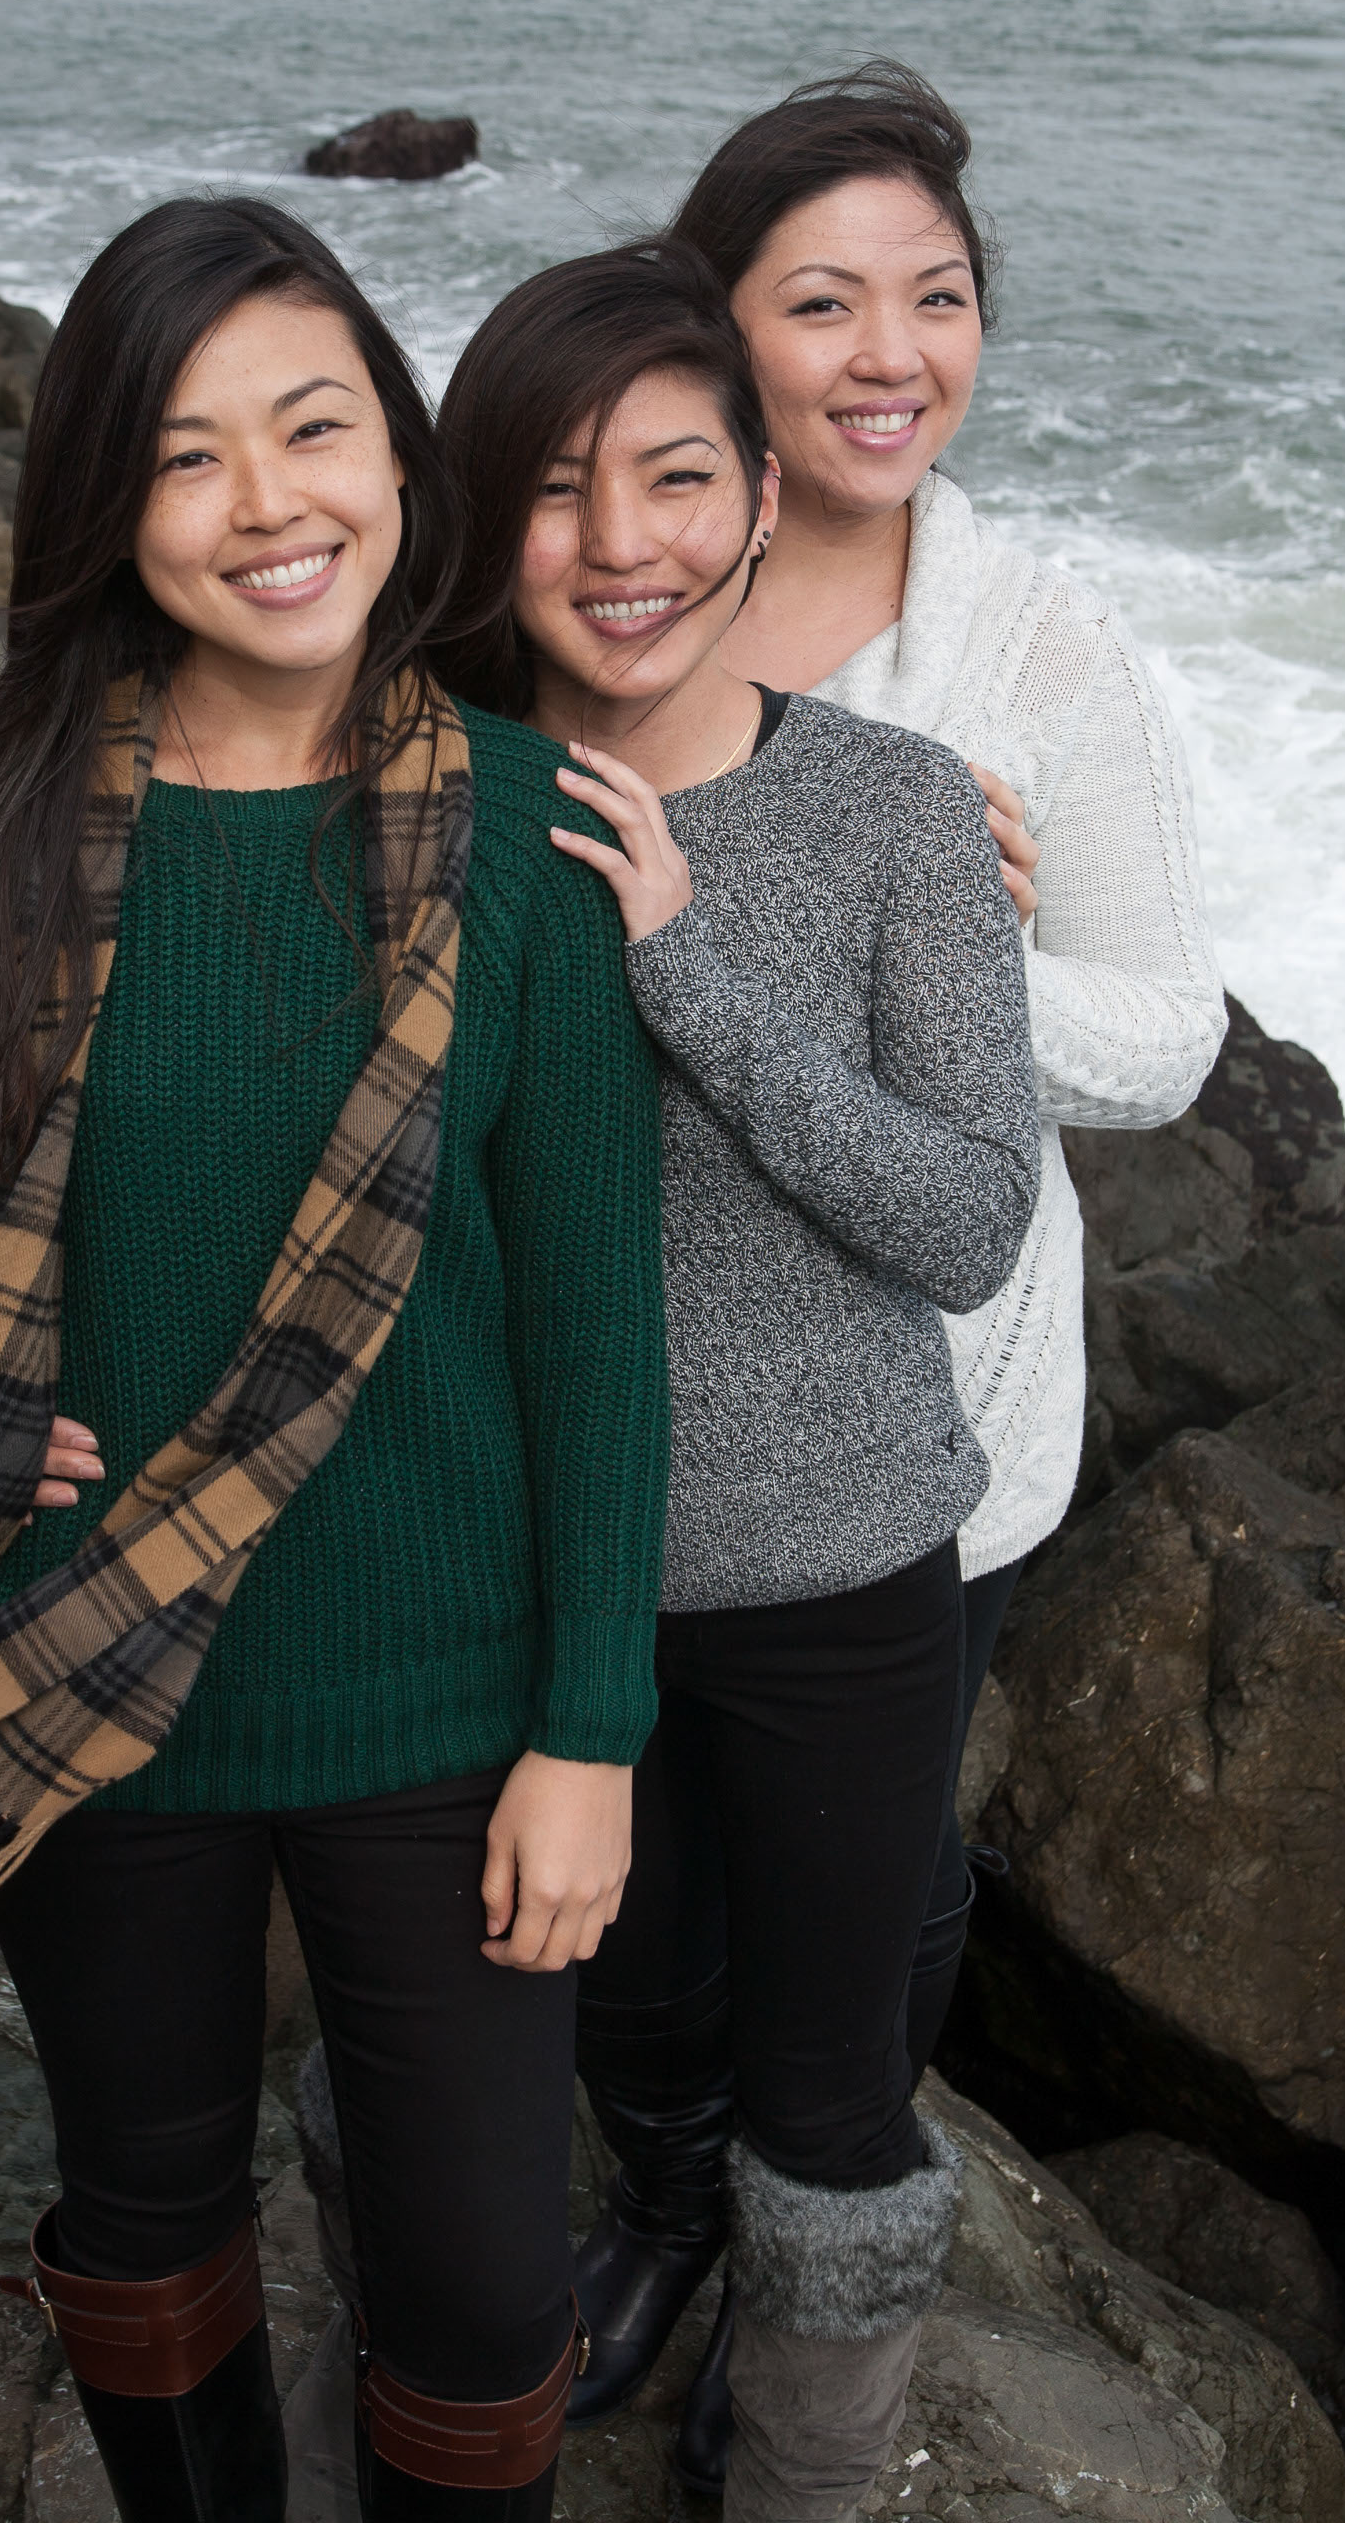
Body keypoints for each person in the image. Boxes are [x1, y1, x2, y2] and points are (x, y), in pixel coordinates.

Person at [0, 196, 672, 2523]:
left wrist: (591, 1735)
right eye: (190, 457)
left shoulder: (516, 832)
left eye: (316, 427)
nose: (271, 504)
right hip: (75, 1663)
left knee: (483, 2295)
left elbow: (595, 1327)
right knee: (144, 2209)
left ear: (400, 450)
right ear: (108, 502)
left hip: (439, 1694)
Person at [587, 64, 1228, 2484]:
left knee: (858, 1874)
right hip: (614, 1383)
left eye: (935, 300)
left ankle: (810, 2220)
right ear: (715, 327)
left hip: (931, 1394)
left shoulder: (1038, 649)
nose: (889, 353)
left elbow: (1169, 1042)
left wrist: (936, 949)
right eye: (821, 299)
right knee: (632, 1853)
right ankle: (658, 2186)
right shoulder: (613, 572)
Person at [432, 239, 1042, 2523]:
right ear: (483, 520)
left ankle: (810, 2448)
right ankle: (667, 2212)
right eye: (561, 490)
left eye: (677, 479)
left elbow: (965, 1217)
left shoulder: (892, 812)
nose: (623, 545)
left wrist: (683, 957)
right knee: (628, 2007)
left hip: (837, 1561)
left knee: (830, 2071)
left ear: (764, 503)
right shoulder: (437, 804)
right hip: (529, 1572)